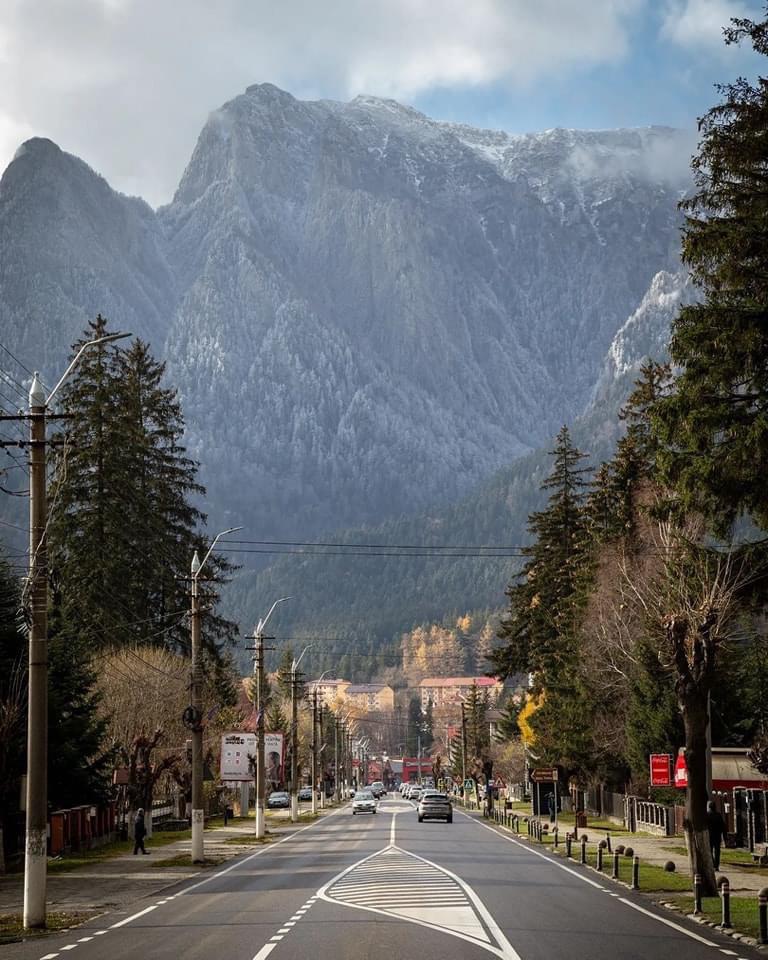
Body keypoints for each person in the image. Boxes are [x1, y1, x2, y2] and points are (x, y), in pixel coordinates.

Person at [707, 800, 726, 870]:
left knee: (710, 850)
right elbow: (723, 826)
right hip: (717, 836)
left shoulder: (707, 815)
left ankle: (712, 863)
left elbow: (705, 826)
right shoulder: (718, 815)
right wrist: (724, 836)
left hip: (710, 836)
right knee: (717, 851)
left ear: (709, 807)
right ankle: (716, 865)